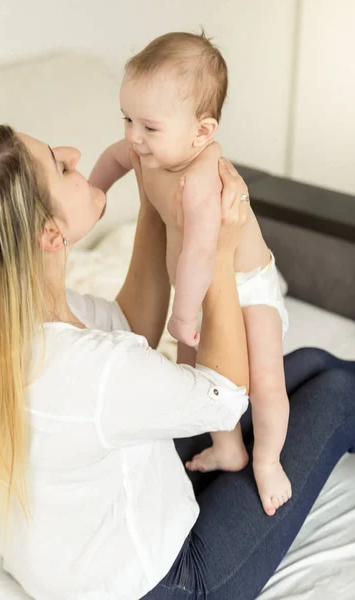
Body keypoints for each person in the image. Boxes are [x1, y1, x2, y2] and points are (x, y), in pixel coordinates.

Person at [0, 125, 354, 600]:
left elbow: (130, 326)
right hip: (171, 583)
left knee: (311, 363)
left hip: (95, 547)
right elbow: (224, 397)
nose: (74, 152)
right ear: (51, 234)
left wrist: (152, 199)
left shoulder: (4, 326)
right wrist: (219, 247)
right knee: (335, 394)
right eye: (61, 165)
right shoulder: (85, 371)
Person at [90, 31, 290, 516]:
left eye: (149, 127)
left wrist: (183, 316)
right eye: (127, 119)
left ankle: (267, 458)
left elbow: (203, 252)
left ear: (201, 133)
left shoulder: (203, 176)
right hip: (196, 291)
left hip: (246, 286)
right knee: (199, 378)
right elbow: (114, 160)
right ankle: (228, 447)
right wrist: (94, 194)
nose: (134, 137)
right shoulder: (147, 153)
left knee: (265, 380)